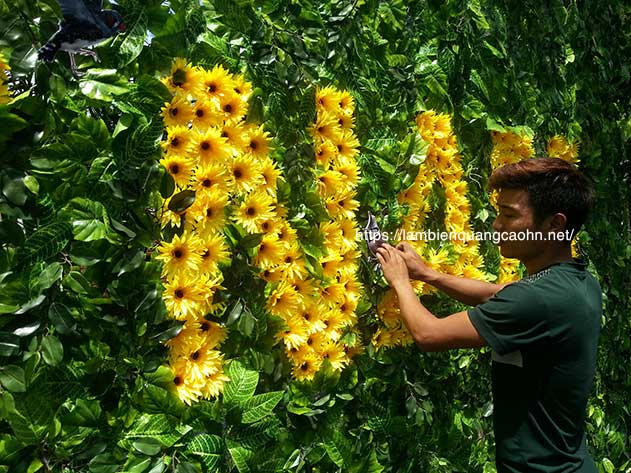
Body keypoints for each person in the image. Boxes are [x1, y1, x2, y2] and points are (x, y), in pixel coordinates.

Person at [375, 157, 600, 473]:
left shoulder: (537, 299)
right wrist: (428, 275)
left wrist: (399, 280)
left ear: (555, 225)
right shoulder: (575, 281)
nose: (496, 225)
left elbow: (429, 335)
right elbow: (499, 295)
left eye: (509, 215)